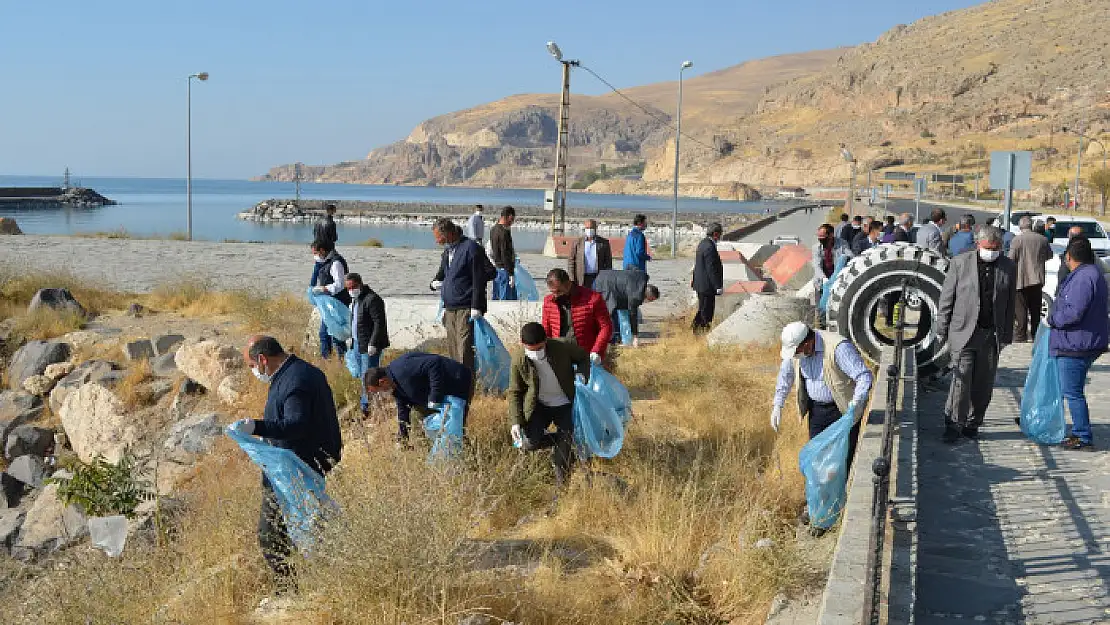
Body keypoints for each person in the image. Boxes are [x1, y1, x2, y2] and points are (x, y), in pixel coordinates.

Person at [230, 336, 342, 586]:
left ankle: (288, 590)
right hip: (297, 465)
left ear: (262, 359)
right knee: (303, 527)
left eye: (251, 365)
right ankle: (315, 580)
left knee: (271, 533)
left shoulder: (296, 381)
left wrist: (256, 427)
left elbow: (296, 424)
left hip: (297, 469)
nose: (253, 371)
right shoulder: (294, 373)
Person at [936, 225, 1017, 443]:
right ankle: (953, 424)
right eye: (988, 247)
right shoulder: (960, 263)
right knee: (961, 381)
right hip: (963, 333)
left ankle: (973, 423)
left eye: (996, 248)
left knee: (983, 383)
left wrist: (1007, 334)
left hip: (990, 335)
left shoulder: (1008, 266)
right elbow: (946, 299)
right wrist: (941, 330)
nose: (992, 251)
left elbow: (1010, 303)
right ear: (978, 244)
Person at [771, 321, 874, 468]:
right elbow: (785, 376)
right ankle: (821, 491)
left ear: (806, 344)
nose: (795, 356)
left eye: (796, 352)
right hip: (817, 412)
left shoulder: (838, 347)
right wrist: (777, 404)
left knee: (841, 461)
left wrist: (857, 401)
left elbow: (864, 376)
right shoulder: (797, 353)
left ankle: (841, 490)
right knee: (817, 459)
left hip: (842, 411)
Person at [507, 322, 591, 488]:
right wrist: (515, 422)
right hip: (539, 406)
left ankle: (562, 490)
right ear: (522, 344)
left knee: (561, 457)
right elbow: (515, 391)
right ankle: (563, 441)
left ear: (546, 341)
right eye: (532, 349)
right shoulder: (518, 359)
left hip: (565, 404)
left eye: (539, 348)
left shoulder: (561, 347)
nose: (536, 353)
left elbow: (583, 357)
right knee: (529, 443)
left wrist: (582, 374)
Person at [1047, 236, 1109, 451]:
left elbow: (1073, 312)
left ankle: (1082, 436)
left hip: (1076, 344)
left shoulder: (1084, 278)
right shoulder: (1091, 273)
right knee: (1072, 390)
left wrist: (1052, 319)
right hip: (1081, 341)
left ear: (1069, 257)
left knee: (1072, 392)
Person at [429, 218, 496, 373]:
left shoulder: (470, 248)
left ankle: (467, 385)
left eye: (439, 238)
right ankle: (457, 382)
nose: (438, 241)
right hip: (450, 308)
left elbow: (481, 276)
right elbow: (441, 274)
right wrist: (434, 283)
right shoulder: (447, 251)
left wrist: (476, 306)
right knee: (453, 349)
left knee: (464, 349)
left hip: (466, 307)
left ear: (450, 234)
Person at [363, 351, 473, 444]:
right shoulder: (395, 387)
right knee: (433, 428)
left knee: (455, 429)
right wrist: (403, 438)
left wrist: (435, 396)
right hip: (441, 397)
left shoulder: (403, 368)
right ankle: (444, 458)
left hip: (456, 382)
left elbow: (434, 362)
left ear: (382, 382)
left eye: (378, 391)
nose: (380, 395)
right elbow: (403, 410)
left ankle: (468, 462)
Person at [541, 268, 612, 364]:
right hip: (559, 355)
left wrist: (597, 351)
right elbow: (546, 329)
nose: (555, 296)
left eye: (558, 291)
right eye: (552, 292)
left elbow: (605, 327)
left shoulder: (593, 299)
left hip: (585, 354)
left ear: (568, 284)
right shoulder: (548, 301)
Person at [345, 272, 389, 415]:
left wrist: (373, 343)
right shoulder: (356, 300)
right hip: (357, 343)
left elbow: (379, 323)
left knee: (368, 376)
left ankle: (367, 407)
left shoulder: (372, 299)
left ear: (360, 284)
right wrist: (351, 337)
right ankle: (367, 402)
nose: (351, 290)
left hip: (369, 345)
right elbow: (354, 321)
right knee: (361, 375)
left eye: (353, 287)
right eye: (348, 288)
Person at [1008, 216, 1053, 342]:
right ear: (1031, 225)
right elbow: (1049, 256)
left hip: (1020, 280)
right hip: (1037, 279)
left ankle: (1021, 336)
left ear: (1020, 227)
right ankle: (1035, 335)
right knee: (1035, 310)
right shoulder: (1042, 239)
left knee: (1021, 310)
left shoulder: (1017, 240)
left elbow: (1011, 259)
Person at [592, 268, 660, 347]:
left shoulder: (641, 279)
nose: (649, 302)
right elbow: (633, 315)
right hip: (603, 285)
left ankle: (623, 340)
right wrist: (635, 336)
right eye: (651, 300)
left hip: (607, 277)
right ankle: (600, 340)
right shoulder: (636, 295)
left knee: (622, 312)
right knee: (604, 315)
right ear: (648, 296)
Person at [310, 239, 350, 359]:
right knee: (325, 333)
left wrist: (323, 288)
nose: (315, 256)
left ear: (322, 250)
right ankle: (327, 359)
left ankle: (341, 359)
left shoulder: (336, 263)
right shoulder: (325, 261)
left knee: (336, 335)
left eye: (315, 252)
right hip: (329, 303)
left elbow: (340, 284)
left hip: (338, 303)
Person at [692, 222, 725, 333]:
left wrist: (694, 280)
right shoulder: (710, 247)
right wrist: (718, 286)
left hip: (701, 284)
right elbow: (711, 269)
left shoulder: (702, 243)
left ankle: (694, 331)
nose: (720, 237)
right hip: (707, 286)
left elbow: (698, 265)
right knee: (707, 312)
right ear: (715, 234)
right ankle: (702, 333)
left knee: (702, 309)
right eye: (720, 234)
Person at [812, 223, 853, 304]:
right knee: (820, 308)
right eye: (819, 237)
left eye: (823, 237)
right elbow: (816, 265)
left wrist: (845, 258)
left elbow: (851, 256)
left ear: (831, 235)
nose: (820, 239)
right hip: (821, 282)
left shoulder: (842, 244)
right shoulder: (816, 248)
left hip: (837, 282)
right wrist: (824, 278)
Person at [568, 219, 613, 290]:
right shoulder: (577, 242)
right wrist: (572, 278)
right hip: (581, 279)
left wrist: (607, 278)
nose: (589, 230)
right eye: (587, 228)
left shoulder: (604, 243)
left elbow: (608, 262)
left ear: (596, 228)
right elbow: (571, 261)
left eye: (591, 228)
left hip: (597, 278)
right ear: (584, 228)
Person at [489, 206, 517, 300]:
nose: (512, 222)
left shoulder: (493, 229)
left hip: (496, 268)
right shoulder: (504, 233)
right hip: (504, 269)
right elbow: (506, 254)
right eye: (512, 219)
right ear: (508, 216)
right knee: (506, 300)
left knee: (496, 297)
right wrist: (511, 273)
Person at [1055, 225, 1086, 293]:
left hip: (1070, 290)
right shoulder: (1088, 250)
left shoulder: (1071, 250)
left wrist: (1059, 291)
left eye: (1069, 234)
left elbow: (1063, 273)